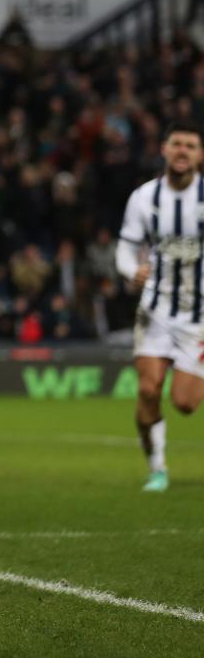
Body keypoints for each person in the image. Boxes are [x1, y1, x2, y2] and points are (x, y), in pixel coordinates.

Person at [116, 122, 204, 492]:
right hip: (154, 312)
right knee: (149, 391)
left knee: (185, 403)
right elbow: (124, 247)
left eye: (191, 146)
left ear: (200, 155)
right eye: (177, 144)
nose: (183, 151)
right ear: (164, 150)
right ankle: (157, 468)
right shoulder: (143, 198)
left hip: (198, 317)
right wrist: (130, 270)